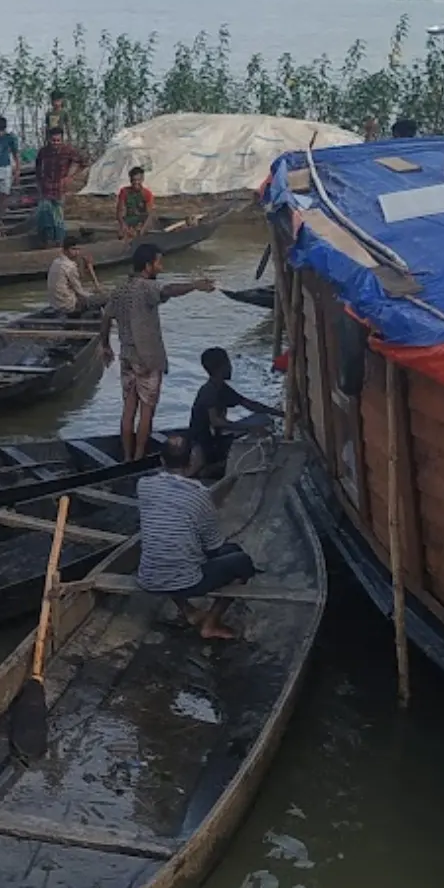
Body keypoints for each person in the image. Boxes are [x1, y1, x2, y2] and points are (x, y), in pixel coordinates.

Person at [100, 242, 216, 461]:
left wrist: (105, 345)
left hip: (127, 356)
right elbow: (168, 290)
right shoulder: (146, 287)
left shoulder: (119, 290)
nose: (160, 267)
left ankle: (126, 457)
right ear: (147, 265)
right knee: (147, 410)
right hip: (147, 359)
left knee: (128, 409)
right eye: (158, 263)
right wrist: (196, 285)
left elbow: (106, 318)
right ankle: (139, 456)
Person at [135, 437, 256, 639]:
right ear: (191, 462)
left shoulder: (144, 485)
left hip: (148, 576)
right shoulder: (199, 495)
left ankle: (188, 611)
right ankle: (210, 624)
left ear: (162, 461)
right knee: (242, 561)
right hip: (184, 581)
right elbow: (213, 547)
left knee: (174, 550)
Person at [186, 347, 281, 477]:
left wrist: (280, 413)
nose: (231, 367)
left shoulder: (221, 388)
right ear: (220, 368)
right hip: (202, 441)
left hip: (215, 437)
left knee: (262, 419)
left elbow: (250, 404)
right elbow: (217, 421)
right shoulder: (209, 391)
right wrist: (250, 428)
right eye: (228, 363)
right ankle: (210, 468)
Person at [32, 124, 84, 247]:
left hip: (60, 189)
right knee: (44, 215)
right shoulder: (43, 152)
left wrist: (69, 176)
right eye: (53, 140)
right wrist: (39, 183)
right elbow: (38, 168)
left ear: (62, 139)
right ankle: (46, 241)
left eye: (58, 140)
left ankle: (59, 243)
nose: (55, 143)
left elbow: (80, 162)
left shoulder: (68, 150)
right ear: (49, 139)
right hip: (46, 188)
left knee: (58, 218)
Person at [45, 236, 101, 315]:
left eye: (78, 249)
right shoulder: (70, 266)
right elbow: (80, 292)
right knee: (103, 299)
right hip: (68, 306)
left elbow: (73, 286)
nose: (77, 252)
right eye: (73, 249)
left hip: (55, 304)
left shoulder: (55, 262)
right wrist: (94, 294)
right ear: (65, 250)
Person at [115, 164, 156, 239]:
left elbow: (149, 215)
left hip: (142, 220)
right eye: (134, 180)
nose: (136, 182)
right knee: (121, 234)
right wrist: (123, 224)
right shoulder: (124, 191)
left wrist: (143, 228)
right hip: (129, 219)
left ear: (142, 179)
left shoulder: (147, 194)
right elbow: (120, 211)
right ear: (130, 180)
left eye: (138, 180)